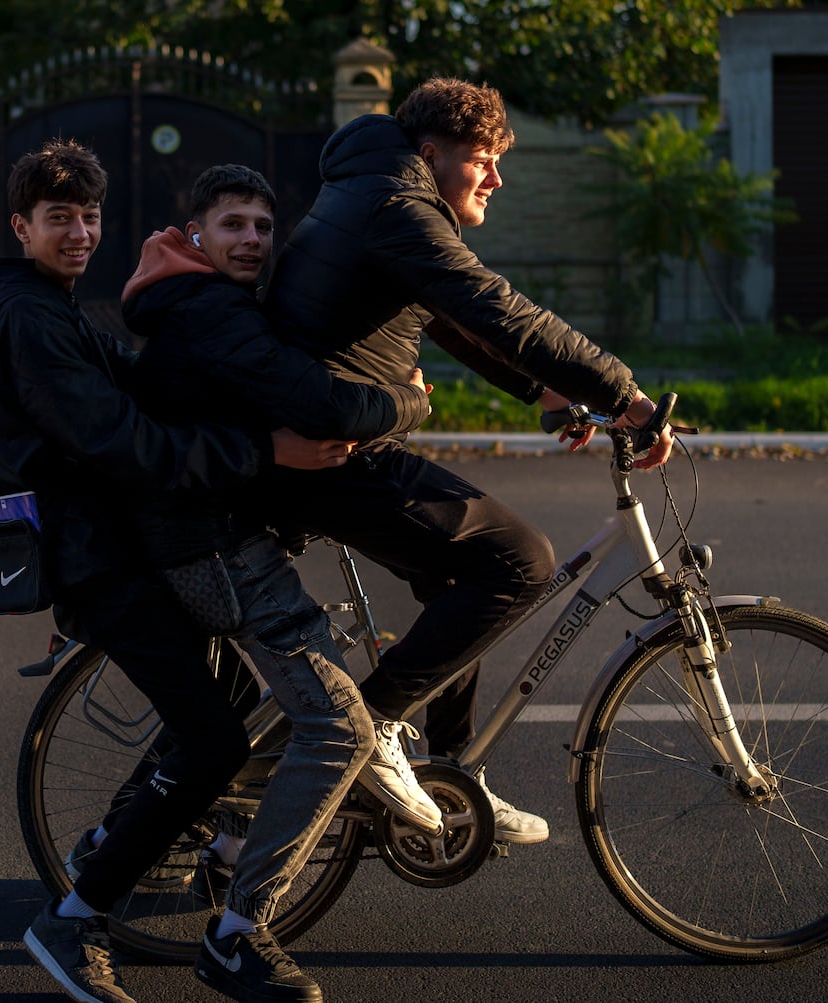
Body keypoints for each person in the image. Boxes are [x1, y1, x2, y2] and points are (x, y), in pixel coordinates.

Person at [0, 138, 352, 1003]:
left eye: (90, 216)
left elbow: (136, 386)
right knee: (213, 739)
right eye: (59, 217)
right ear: (22, 224)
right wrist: (264, 448)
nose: (80, 232)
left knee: (227, 706)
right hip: (96, 558)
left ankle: (122, 845)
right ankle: (75, 916)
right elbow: (123, 441)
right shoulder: (30, 320)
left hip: (110, 543)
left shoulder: (47, 304)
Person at [263, 77, 676, 846]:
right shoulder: (399, 208)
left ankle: (451, 775)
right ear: (431, 153)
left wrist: (544, 390)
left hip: (334, 437)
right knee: (520, 561)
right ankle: (368, 728)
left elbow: (448, 320)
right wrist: (626, 395)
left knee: (465, 582)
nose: (496, 178)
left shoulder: (379, 191)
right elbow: (496, 307)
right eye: (483, 160)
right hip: (331, 453)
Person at [118, 163, 442, 1003]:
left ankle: (177, 843)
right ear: (195, 235)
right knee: (339, 726)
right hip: (211, 545)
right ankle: (239, 932)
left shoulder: (194, 299)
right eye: (233, 225)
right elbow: (324, 404)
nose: (252, 240)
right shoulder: (211, 311)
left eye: (263, 227)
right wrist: (407, 401)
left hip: (215, 528)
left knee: (273, 703)